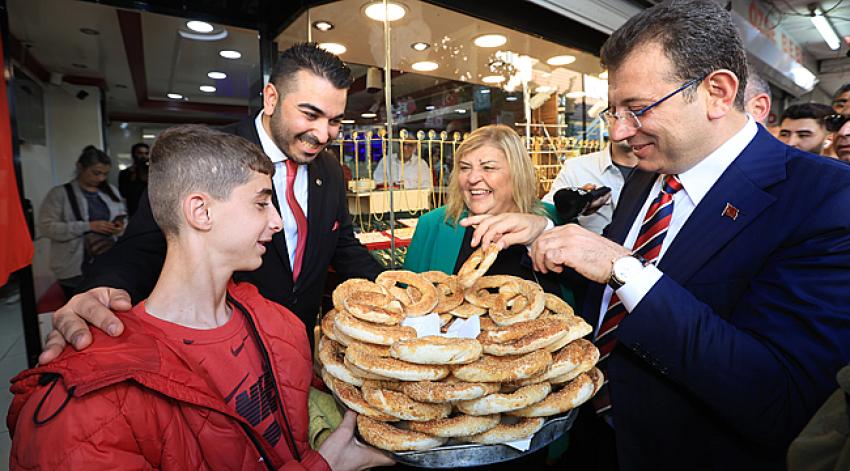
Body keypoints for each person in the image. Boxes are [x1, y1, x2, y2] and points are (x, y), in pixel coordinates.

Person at [482, 1, 850, 469]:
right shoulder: (647, 176)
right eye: (613, 111)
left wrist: (624, 269)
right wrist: (548, 232)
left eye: (638, 109)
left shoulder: (825, 200)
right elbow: (611, 302)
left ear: (717, 92)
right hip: (594, 439)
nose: (619, 131)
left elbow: (778, 397)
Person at [8, 125, 392, 470]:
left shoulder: (279, 327)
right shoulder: (90, 404)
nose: (276, 222)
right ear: (200, 210)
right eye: (261, 203)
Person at [39, 43, 384, 363]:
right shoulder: (211, 152)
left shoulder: (331, 171)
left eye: (335, 121)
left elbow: (341, 244)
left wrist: (396, 289)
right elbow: (146, 244)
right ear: (271, 98)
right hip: (226, 350)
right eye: (310, 114)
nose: (323, 135)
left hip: (297, 342)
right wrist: (102, 288)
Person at [404, 124, 573, 305]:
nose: (472, 178)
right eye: (465, 167)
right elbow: (406, 303)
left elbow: (583, 299)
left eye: (488, 167)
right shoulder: (432, 225)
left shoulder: (554, 222)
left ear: (517, 174)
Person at [38, 145, 126, 299]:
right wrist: (88, 226)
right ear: (80, 167)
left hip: (107, 262)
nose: (101, 179)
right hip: (73, 267)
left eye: (105, 174)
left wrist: (118, 227)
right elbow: (46, 227)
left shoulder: (111, 191)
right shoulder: (60, 194)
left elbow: (122, 216)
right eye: (96, 173)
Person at [542, 139, 637, 235]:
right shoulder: (575, 168)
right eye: (619, 122)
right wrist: (572, 209)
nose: (625, 128)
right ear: (608, 122)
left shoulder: (652, 175)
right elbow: (544, 216)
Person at [118, 142, 150, 217]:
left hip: (151, 210)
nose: (143, 156)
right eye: (140, 153)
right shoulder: (126, 173)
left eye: (146, 153)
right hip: (134, 210)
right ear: (133, 154)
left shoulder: (153, 172)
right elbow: (123, 193)